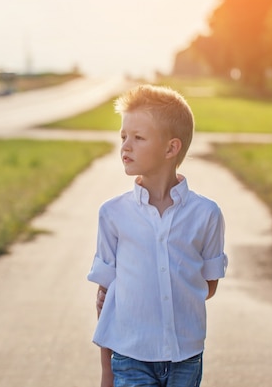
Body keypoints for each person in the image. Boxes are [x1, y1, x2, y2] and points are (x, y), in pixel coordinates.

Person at [87, 84, 228, 387]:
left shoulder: (206, 215)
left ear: (170, 148)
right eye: (123, 136)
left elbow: (207, 286)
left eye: (138, 138)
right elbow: (105, 301)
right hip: (129, 357)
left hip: (186, 357)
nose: (125, 146)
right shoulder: (113, 215)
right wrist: (106, 372)